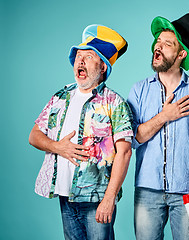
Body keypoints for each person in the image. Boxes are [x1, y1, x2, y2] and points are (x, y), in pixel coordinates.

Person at [29, 24, 133, 240]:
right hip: (65, 195)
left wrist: (109, 198)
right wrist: (58, 147)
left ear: (103, 67)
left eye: (88, 56)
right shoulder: (61, 96)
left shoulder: (115, 102)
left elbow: (124, 152)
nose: (80, 60)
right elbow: (34, 136)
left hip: (96, 198)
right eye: (78, 56)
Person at [127, 13, 189, 240]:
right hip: (147, 189)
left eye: (167, 44)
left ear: (181, 54)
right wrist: (164, 116)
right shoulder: (139, 90)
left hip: (188, 191)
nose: (158, 47)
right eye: (158, 42)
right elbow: (134, 138)